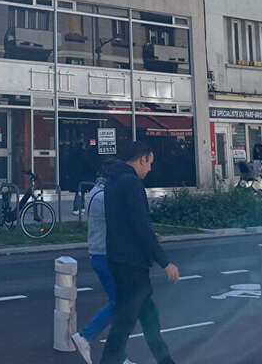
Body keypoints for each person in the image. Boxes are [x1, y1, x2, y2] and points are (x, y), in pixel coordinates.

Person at [100, 140, 180, 364]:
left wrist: (147, 237)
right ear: (142, 158)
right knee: (123, 328)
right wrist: (165, 263)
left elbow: (124, 222)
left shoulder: (113, 181)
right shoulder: (131, 183)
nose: (150, 168)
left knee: (150, 324)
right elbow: (141, 225)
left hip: (120, 259)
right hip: (133, 266)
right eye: (150, 162)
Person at [72, 164, 129, 364]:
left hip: (99, 254)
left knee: (120, 305)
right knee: (120, 304)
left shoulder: (94, 194)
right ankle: (85, 336)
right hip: (107, 256)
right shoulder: (104, 198)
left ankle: (120, 357)